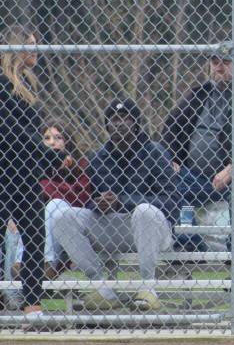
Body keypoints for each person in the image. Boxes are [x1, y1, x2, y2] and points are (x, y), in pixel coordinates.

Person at [52, 99, 179, 311]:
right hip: (110, 228)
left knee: (144, 210)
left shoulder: (156, 152)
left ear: (136, 124)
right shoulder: (98, 157)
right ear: (107, 125)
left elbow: (171, 202)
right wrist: (97, 204)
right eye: (114, 120)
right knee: (60, 215)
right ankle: (101, 287)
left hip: (150, 229)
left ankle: (148, 288)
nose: (119, 124)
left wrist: (122, 202)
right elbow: (85, 198)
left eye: (126, 119)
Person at [0, 25, 64, 326]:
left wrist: (45, 158)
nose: (35, 50)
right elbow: (12, 133)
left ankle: (33, 305)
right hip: (5, 172)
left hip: (25, 174)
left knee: (35, 238)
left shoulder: (27, 83)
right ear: (15, 50)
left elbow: (28, 135)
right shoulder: (2, 84)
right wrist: (51, 155)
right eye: (29, 45)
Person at [7, 122, 91, 282]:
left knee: (54, 205)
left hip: (68, 223)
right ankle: (19, 269)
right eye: (47, 138)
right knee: (21, 219)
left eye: (58, 137)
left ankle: (47, 263)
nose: (52, 142)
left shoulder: (80, 164)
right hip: (37, 224)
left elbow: (80, 197)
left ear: (68, 141)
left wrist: (45, 187)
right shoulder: (33, 165)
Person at [161, 42, 233, 208]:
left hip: (230, 181)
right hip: (191, 177)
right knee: (166, 185)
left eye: (226, 63)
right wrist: (170, 159)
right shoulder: (198, 94)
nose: (219, 68)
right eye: (215, 63)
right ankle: (190, 235)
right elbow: (171, 127)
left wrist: (232, 169)